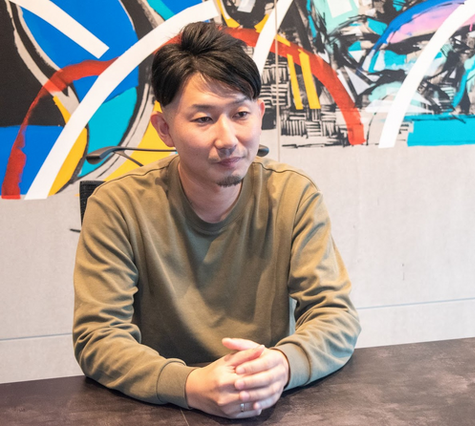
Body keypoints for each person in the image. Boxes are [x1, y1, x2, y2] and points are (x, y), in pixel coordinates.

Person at [72, 21, 360, 419]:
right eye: (203, 119)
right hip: (163, 409)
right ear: (164, 129)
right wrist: (190, 385)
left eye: (240, 113)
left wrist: (283, 365)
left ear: (260, 113)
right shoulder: (118, 206)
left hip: (264, 402)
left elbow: (335, 315)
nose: (228, 139)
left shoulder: (293, 196)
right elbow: (98, 337)